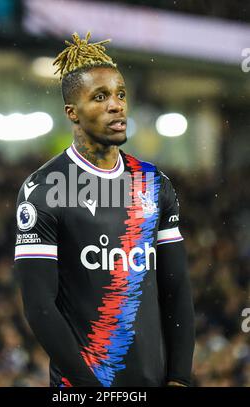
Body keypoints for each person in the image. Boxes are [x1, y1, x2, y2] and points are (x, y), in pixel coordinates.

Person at [14, 32, 195, 387]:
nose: (117, 105)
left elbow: (177, 289)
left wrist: (179, 377)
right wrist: (89, 386)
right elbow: (40, 307)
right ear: (73, 113)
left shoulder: (154, 184)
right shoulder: (45, 190)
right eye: (100, 97)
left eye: (121, 94)